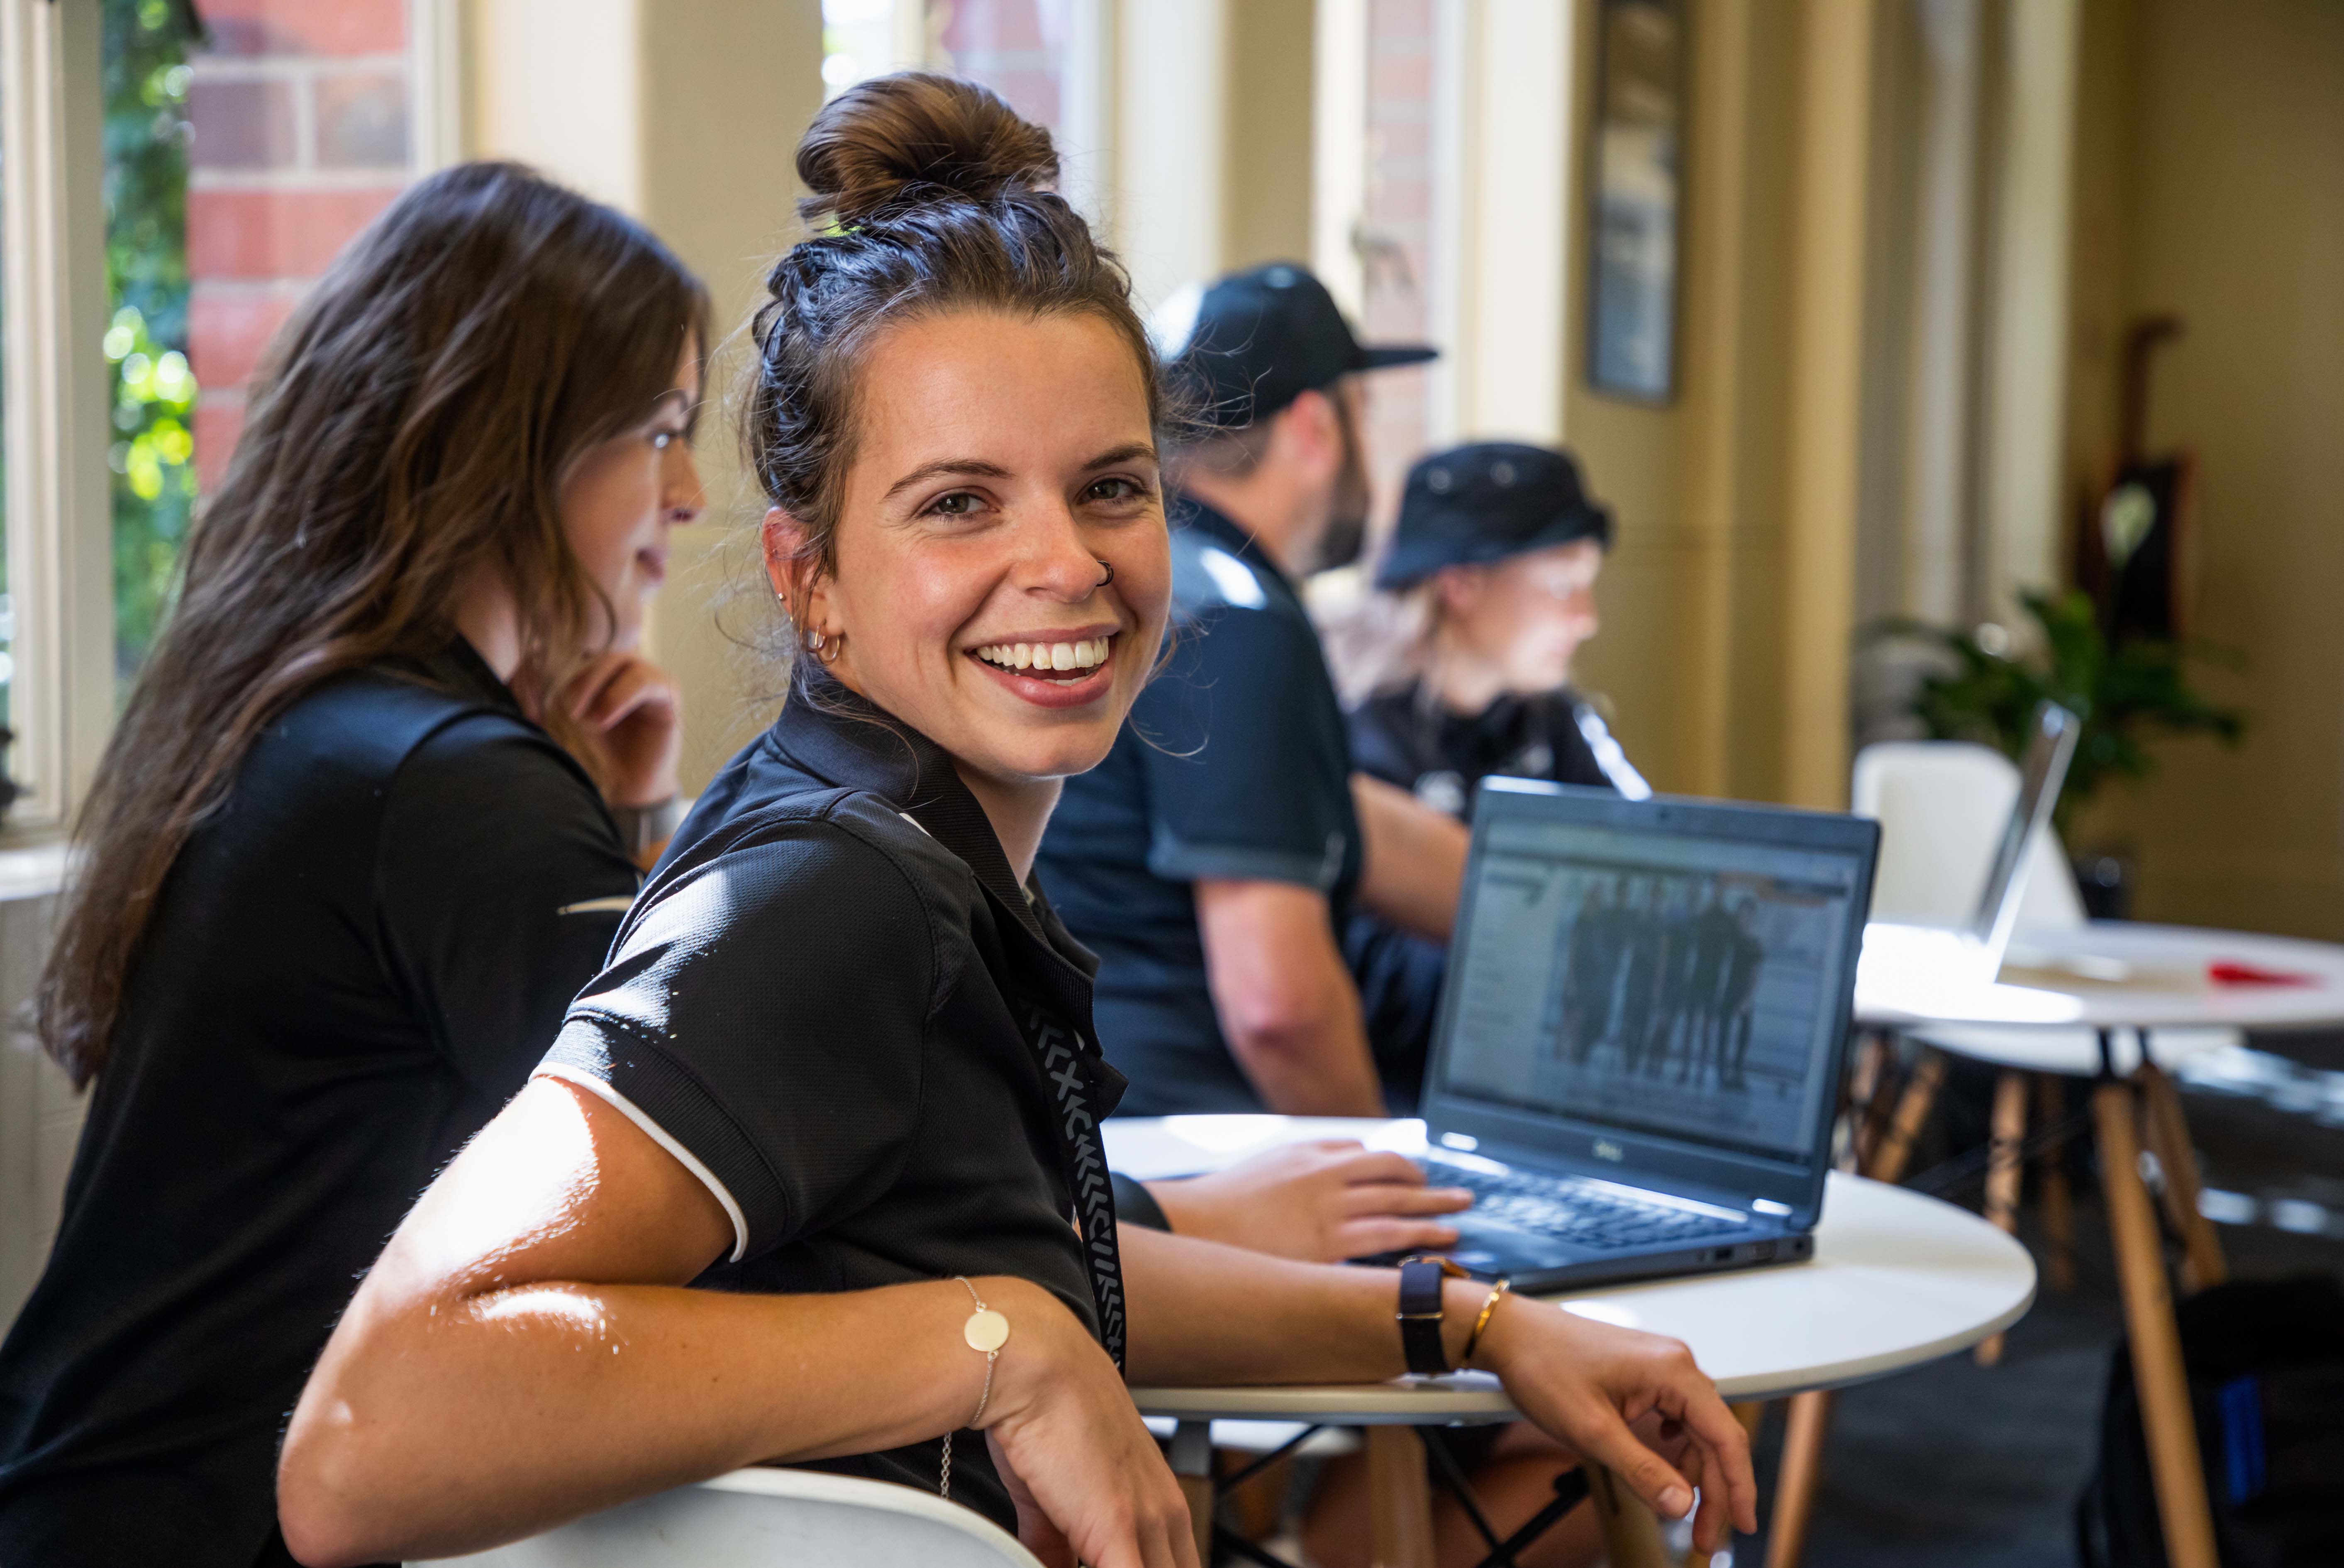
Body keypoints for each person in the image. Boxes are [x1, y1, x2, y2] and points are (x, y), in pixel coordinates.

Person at [275, 75, 1754, 1568]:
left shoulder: (890, 837)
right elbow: (367, 1439)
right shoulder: (833, 899)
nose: (1065, 563)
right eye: (958, 504)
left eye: (1111, 486)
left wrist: (1472, 1324)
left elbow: (1030, 1267)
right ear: (812, 583)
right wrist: (993, 1347)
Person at [0, 163, 707, 1568]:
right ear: (518, 443)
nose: (688, 496)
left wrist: (624, 819)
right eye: (661, 430)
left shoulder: (328, 724)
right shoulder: (449, 790)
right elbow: (702, 1194)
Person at [1034, 263, 1471, 1118]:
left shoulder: (1156, 589)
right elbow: (1280, 1009)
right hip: (1194, 1149)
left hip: (1081, 1132)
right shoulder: (1234, 619)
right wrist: (1391, 1194)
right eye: (1364, 413)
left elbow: (1322, 814)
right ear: (1315, 426)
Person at [1342, 441, 1651, 1092]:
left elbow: (1646, 856)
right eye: (1563, 586)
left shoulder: (1551, 717)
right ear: (1462, 585)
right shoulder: (1355, 728)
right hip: (1401, 1095)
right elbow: (1364, 974)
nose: (1587, 620)